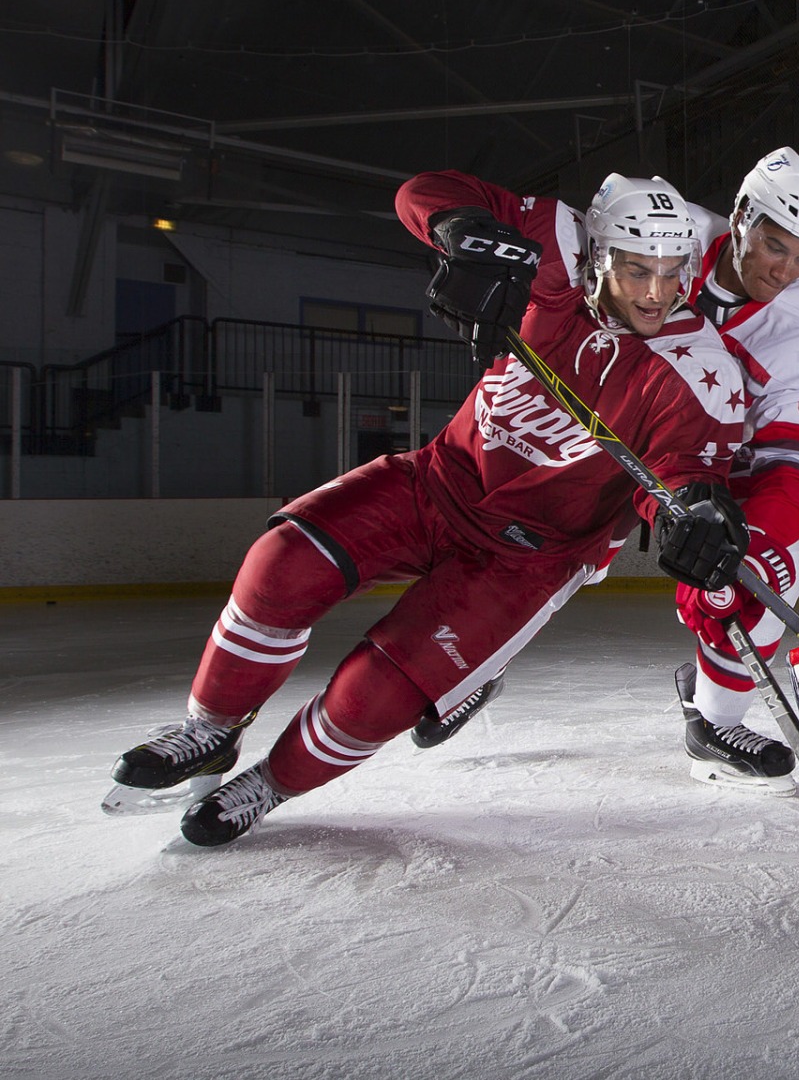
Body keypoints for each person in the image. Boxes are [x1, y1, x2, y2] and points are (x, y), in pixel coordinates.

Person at [104, 170, 750, 846]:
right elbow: (423, 191)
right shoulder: (556, 244)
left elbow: (683, 471)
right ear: (597, 256)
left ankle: (270, 784)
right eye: (636, 270)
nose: (656, 292)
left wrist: (695, 508)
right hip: (436, 482)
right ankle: (210, 730)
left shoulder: (697, 367)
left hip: (523, 561)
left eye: (673, 272)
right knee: (281, 564)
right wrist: (467, 233)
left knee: (374, 696)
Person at [666, 147, 799, 794]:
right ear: (742, 215)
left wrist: (755, 540)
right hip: (599, 415)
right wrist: (470, 237)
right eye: (777, 246)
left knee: (776, 569)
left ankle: (712, 725)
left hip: (703, 471)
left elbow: (797, 468)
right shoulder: (666, 230)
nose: (787, 271)